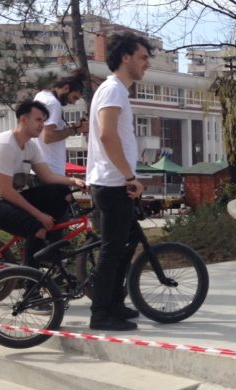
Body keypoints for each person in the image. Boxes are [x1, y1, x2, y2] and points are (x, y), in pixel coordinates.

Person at [86, 32, 153, 332]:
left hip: (115, 182)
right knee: (112, 250)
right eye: (142, 57)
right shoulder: (113, 89)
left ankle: (114, 303)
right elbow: (106, 134)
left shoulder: (116, 91)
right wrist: (129, 176)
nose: (147, 63)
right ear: (125, 57)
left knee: (121, 248)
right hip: (113, 184)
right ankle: (101, 313)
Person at [0, 100, 86, 269]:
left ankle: (49, 250)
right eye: (39, 120)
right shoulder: (5, 145)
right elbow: (5, 191)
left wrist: (74, 181)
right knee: (37, 228)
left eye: (44, 121)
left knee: (61, 192)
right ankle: (31, 283)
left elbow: (47, 176)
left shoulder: (30, 147)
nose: (43, 125)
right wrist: (39, 215)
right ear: (23, 119)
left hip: (10, 198)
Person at [32, 70, 90, 176]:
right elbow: (48, 137)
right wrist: (75, 130)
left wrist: (75, 127)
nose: (73, 103)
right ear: (66, 88)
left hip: (38, 168)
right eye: (74, 97)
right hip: (52, 170)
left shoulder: (41, 96)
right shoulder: (54, 104)